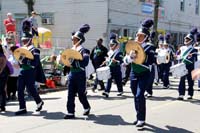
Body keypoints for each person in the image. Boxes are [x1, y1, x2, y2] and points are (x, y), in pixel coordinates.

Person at [123, 19, 154, 128]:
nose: (138, 37)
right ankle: (138, 116)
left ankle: (141, 119)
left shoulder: (150, 47)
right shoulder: (132, 45)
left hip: (144, 73)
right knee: (135, 94)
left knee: (139, 95)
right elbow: (125, 61)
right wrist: (129, 58)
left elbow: (151, 61)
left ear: (146, 37)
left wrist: (140, 57)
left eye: (141, 36)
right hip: (133, 73)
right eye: (138, 35)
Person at [64, 24, 91, 119]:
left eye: (75, 39)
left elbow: (85, 62)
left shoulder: (85, 51)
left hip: (80, 74)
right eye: (73, 39)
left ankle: (86, 107)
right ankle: (70, 112)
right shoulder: (71, 50)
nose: (73, 41)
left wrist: (75, 63)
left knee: (81, 94)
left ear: (80, 40)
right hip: (72, 74)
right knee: (70, 93)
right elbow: (67, 60)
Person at [15, 32, 44, 115]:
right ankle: (22, 107)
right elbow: (20, 62)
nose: (24, 42)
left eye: (25, 40)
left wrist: (25, 60)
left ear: (30, 40)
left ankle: (39, 101)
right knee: (19, 89)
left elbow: (35, 63)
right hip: (22, 71)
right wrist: (19, 61)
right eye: (23, 40)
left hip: (30, 71)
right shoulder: (22, 49)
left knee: (31, 89)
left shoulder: (35, 50)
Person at [177, 28, 198, 100]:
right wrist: (177, 56)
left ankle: (190, 94)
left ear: (191, 41)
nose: (186, 40)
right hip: (183, 66)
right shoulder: (182, 48)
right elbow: (178, 56)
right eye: (185, 39)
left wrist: (191, 57)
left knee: (190, 80)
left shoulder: (194, 49)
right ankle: (181, 94)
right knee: (182, 80)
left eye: (188, 39)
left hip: (190, 66)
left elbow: (195, 58)